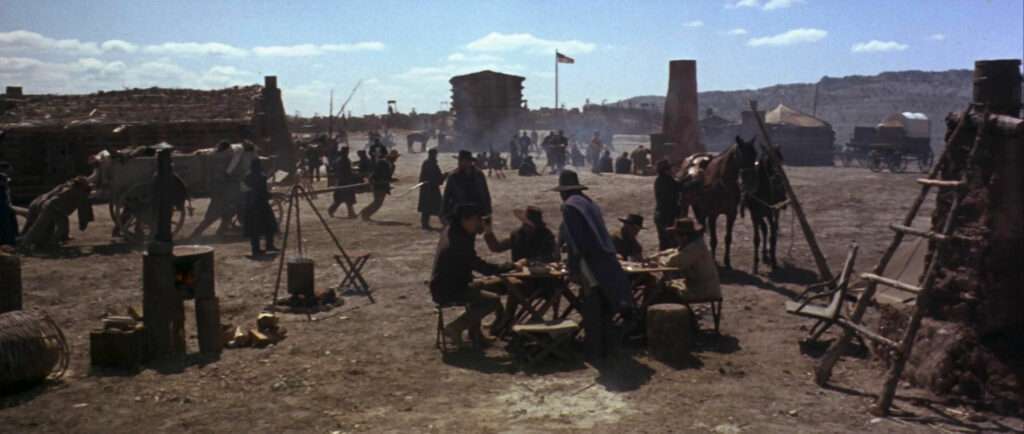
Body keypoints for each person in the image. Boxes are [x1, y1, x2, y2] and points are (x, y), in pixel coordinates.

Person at [553, 170, 632, 359]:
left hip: (589, 261)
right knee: (606, 304)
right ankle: (609, 347)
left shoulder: (569, 207)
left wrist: (573, 268)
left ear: (563, 192)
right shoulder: (589, 203)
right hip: (606, 258)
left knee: (592, 305)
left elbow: (576, 242)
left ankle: (594, 350)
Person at [430, 203, 516, 348]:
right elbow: (479, 265)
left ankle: (476, 335)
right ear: (466, 219)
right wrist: (507, 267)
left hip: (448, 283)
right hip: (448, 289)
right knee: (492, 300)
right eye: (476, 220)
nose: (479, 223)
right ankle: (455, 328)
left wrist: (485, 229)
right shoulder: (458, 241)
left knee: (485, 289)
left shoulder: (455, 230)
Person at [650, 218, 721, 305]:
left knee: (661, 292)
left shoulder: (695, 248)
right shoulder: (692, 244)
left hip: (702, 290)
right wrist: (658, 255)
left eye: (676, 235)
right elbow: (674, 251)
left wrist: (658, 259)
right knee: (664, 286)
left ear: (684, 236)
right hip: (696, 286)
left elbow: (673, 261)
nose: (675, 238)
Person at [19, 177, 94, 250]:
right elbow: (83, 211)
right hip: (52, 207)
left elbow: (52, 195)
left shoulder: (67, 187)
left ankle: (54, 242)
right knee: (40, 226)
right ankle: (25, 243)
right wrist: (82, 224)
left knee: (62, 225)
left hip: (54, 208)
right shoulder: (80, 193)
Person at [190, 141, 241, 239]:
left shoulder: (213, 156)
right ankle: (198, 234)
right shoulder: (228, 157)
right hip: (223, 189)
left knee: (220, 213)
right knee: (219, 213)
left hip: (217, 188)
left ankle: (213, 231)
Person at [242, 159, 278, 257]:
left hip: (250, 205)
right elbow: (263, 192)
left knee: (254, 229)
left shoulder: (246, 177)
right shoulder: (261, 177)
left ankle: (256, 249)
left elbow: (245, 190)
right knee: (270, 224)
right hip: (261, 204)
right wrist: (274, 195)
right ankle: (269, 245)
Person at [442, 150, 492, 220]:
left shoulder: (479, 175)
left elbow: (485, 193)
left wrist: (488, 211)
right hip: (458, 213)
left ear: (470, 162)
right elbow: (447, 196)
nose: (459, 163)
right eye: (459, 161)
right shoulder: (453, 176)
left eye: (462, 161)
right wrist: (444, 213)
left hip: (476, 212)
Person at [359, 150, 398, 221]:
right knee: (377, 202)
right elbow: (376, 174)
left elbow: (387, 176)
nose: (396, 159)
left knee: (378, 202)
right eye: (395, 157)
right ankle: (364, 214)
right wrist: (374, 181)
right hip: (377, 184)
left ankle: (365, 214)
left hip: (383, 185)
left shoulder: (391, 165)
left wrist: (391, 180)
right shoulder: (382, 163)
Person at [654, 160, 682, 250]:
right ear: (666, 170)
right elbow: (680, 187)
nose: (673, 170)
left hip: (660, 214)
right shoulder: (668, 180)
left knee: (663, 241)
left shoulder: (660, 179)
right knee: (671, 242)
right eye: (671, 169)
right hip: (668, 215)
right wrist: (696, 180)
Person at [417, 149, 447, 229]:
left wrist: (442, 177)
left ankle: (425, 224)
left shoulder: (428, 163)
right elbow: (434, 177)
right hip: (430, 188)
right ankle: (445, 224)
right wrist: (443, 176)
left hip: (428, 187)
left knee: (427, 207)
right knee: (437, 206)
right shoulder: (430, 164)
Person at [328, 146, 358, 219]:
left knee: (347, 199)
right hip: (344, 181)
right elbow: (346, 171)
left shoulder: (339, 159)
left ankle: (351, 213)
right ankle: (331, 210)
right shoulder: (344, 160)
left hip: (341, 181)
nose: (347, 153)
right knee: (341, 199)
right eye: (346, 151)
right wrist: (353, 174)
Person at [0, 162, 17, 247]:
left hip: (4, 203)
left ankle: (10, 240)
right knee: (5, 222)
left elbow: (7, 191)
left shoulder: (4, 177)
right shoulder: (2, 177)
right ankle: (8, 241)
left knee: (10, 219)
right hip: (2, 204)